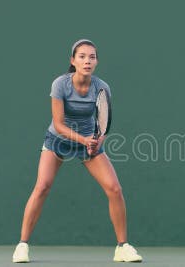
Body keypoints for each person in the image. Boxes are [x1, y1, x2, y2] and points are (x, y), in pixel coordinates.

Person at [12, 39, 142, 263]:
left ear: (97, 62)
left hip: (88, 143)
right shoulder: (60, 85)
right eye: (82, 56)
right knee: (42, 187)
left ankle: (123, 247)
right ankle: (22, 245)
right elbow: (59, 124)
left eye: (92, 57)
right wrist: (84, 139)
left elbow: (104, 122)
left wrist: (98, 141)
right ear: (73, 61)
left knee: (114, 188)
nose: (87, 61)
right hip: (58, 140)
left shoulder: (102, 87)